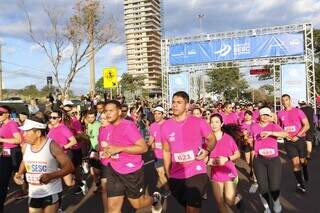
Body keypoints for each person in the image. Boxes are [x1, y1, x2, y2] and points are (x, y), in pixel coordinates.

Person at [161, 91, 217, 213]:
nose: (174, 105)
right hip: (176, 174)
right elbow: (166, 151)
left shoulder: (198, 122)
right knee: (187, 205)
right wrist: (167, 173)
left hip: (196, 170)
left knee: (192, 208)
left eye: (179, 102)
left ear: (187, 106)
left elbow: (212, 139)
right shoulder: (165, 126)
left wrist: (207, 151)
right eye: (173, 102)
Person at [103, 100, 162, 213]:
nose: (108, 114)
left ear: (120, 112)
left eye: (111, 111)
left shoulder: (127, 126)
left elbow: (143, 148)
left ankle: (155, 198)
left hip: (131, 171)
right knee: (112, 209)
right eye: (106, 111)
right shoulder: (108, 127)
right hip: (114, 169)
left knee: (137, 204)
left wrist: (120, 149)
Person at [14, 117, 74, 213]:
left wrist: (51, 176)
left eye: (27, 132)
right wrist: (19, 174)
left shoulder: (52, 146)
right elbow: (24, 161)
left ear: (38, 133)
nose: (23, 135)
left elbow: (69, 167)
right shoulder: (25, 146)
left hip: (51, 191)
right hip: (34, 192)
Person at [250, 107, 288, 213]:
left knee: (274, 187)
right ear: (259, 116)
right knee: (263, 187)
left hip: (273, 160)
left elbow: (285, 134)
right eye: (263, 115)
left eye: (267, 115)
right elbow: (251, 140)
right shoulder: (254, 126)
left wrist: (271, 133)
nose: (265, 117)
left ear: (270, 116)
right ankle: (267, 207)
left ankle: (276, 202)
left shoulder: (273, 126)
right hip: (259, 160)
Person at [208, 113, 244, 213]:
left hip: (229, 172)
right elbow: (204, 156)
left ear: (222, 124)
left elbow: (237, 154)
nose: (214, 124)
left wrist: (227, 158)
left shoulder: (228, 138)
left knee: (229, 201)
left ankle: (238, 198)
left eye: (217, 122)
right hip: (215, 174)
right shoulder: (207, 140)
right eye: (212, 122)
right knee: (220, 203)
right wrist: (207, 160)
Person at [278, 94, 310, 192]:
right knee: (295, 163)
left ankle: (304, 168)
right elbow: (279, 128)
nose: (285, 102)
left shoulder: (298, 111)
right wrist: (283, 135)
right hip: (288, 142)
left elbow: (307, 125)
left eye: (286, 100)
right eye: (283, 100)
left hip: (300, 140)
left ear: (290, 100)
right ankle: (300, 184)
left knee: (302, 160)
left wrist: (298, 135)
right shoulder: (280, 113)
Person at [0, 106, 23, 213]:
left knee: (20, 176)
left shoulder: (12, 124)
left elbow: (18, 139)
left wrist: (1, 139)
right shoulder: (2, 124)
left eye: (1, 113)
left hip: (13, 154)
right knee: (3, 182)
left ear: (7, 114)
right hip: (4, 154)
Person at [47, 111, 77, 190]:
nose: (51, 119)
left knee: (69, 183)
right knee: (52, 179)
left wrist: (63, 147)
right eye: (50, 117)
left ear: (59, 119)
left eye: (54, 118)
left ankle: (78, 182)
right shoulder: (52, 129)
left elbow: (74, 141)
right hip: (53, 157)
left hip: (63, 156)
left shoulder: (63, 128)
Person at [148, 106, 170, 197]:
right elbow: (151, 139)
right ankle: (167, 189)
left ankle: (174, 185)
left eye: (158, 114)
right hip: (157, 154)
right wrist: (147, 146)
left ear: (163, 115)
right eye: (155, 114)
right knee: (160, 173)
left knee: (169, 173)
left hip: (168, 154)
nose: (156, 116)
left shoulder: (168, 124)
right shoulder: (152, 126)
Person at [97, 111, 113, 211]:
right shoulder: (101, 129)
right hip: (104, 163)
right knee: (104, 188)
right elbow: (100, 144)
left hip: (116, 163)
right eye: (101, 118)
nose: (101, 121)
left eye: (103, 119)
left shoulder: (115, 129)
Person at [86, 109, 102, 192]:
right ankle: (98, 185)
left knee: (97, 169)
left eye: (92, 117)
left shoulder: (99, 125)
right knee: (92, 170)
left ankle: (101, 183)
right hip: (92, 149)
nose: (90, 119)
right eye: (89, 117)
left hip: (99, 149)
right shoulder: (89, 124)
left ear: (95, 117)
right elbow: (90, 137)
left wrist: (99, 150)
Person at [240, 110, 256, 181]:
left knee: (253, 160)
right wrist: (244, 135)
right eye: (245, 115)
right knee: (247, 161)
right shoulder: (242, 124)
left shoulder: (255, 123)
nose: (247, 116)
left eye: (248, 115)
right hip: (246, 144)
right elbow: (243, 134)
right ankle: (252, 169)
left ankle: (254, 175)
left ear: (251, 116)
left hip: (254, 144)